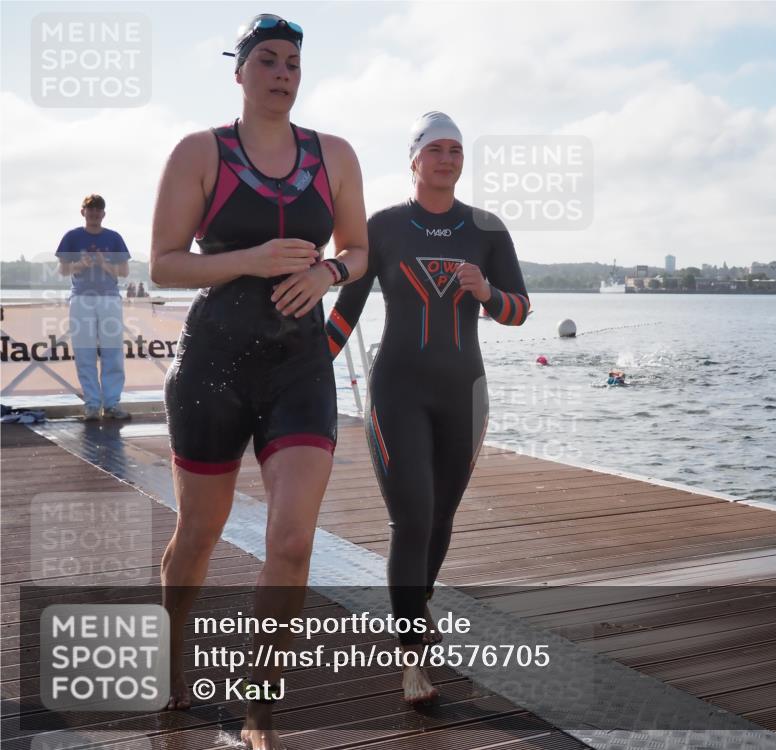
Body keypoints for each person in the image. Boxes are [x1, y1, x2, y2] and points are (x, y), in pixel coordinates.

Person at [149, 14, 368, 750]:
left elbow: (359, 249)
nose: (283, 73)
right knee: (200, 533)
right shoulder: (199, 151)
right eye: (268, 60)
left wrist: (326, 271)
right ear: (238, 71)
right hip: (213, 366)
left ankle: (259, 704)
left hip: (300, 367)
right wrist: (251, 259)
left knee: (293, 541)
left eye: (294, 63)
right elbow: (166, 264)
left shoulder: (333, 154)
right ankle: (173, 649)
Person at [329, 111, 530, 704]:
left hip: (464, 392)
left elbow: (519, 310)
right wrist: (307, 367)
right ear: (414, 159)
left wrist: (487, 293)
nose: (446, 159)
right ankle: (411, 658)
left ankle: (416, 604)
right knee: (411, 518)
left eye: (456, 150)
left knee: (441, 519)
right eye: (435, 149)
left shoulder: (486, 229)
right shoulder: (384, 226)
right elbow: (347, 311)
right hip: (398, 391)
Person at [55, 194, 131, 421]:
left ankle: (112, 404)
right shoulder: (72, 237)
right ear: (83, 212)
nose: (94, 214)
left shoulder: (114, 238)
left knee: (113, 352)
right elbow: (62, 270)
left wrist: (104, 264)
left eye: (98, 210)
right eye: (90, 210)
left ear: (103, 214)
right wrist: (81, 264)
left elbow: (125, 272)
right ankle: (91, 405)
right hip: (81, 299)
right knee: (84, 352)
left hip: (109, 299)